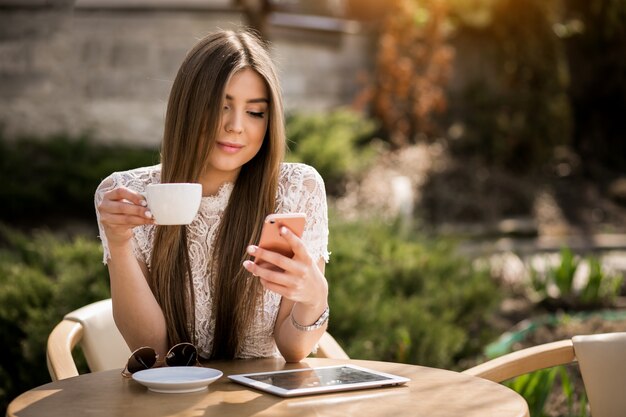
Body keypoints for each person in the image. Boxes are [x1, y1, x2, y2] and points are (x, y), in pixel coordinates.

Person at [94, 29, 330, 362]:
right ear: (188, 107)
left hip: (262, 403)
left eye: (255, 112)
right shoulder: (125, 196)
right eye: (221, 106)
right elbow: (153, 352)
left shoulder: (297, 189)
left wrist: (314, 296)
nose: (236, 125)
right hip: (171, 402)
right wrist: (118, 246)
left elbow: (294, 350)